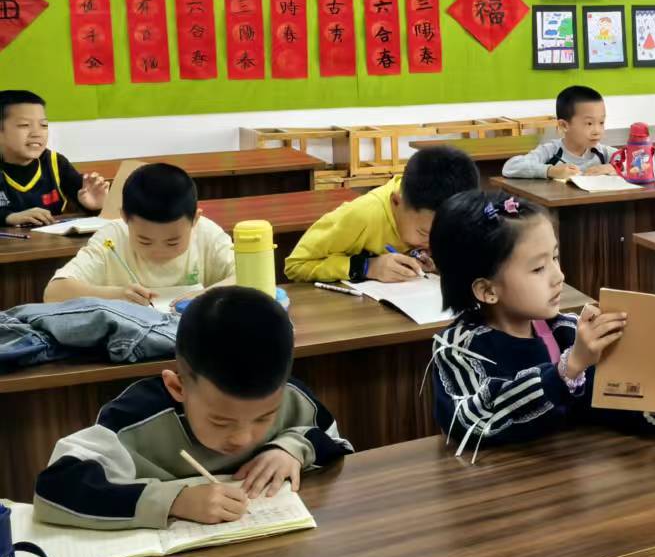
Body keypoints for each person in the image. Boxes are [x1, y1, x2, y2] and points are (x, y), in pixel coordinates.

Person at [427, 189, 655, 460]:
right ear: (487, 290)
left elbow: (606, 402)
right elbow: (474, 421)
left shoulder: (564, 331)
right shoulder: (456, 350)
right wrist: (568, 369)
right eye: (538, 268)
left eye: (555, 257)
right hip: (499, 490)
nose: (559, 276)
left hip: (563, 481)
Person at [32, 286, 350, 528]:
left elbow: (336, 443)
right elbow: (55, 488)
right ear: (177, 387)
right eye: (221, 421)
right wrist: (174, 501)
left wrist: (292, 448)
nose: (243, 438)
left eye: (265, 417)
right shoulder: (134, 420)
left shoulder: (291, 397)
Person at [285, 144, 477, 283]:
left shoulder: (454, 214)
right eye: (424, 233)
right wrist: (368, 267)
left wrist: (437, 263)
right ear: (396, 202)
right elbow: (296, 266)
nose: (434, 243)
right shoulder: (362, 215)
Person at [44, 163, 235, 303]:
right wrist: (117, 295)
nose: (158, 252)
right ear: (125, 217)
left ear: (195, 219)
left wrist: (208, 295)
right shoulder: (112, 238)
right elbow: (54, 292)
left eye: (173, 242)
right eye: (145, 241)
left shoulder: (207, 234)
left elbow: (248, 276)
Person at [0, 88, 109, 227]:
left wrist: (94, 206)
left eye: (43, 125)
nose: (37, 133)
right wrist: (9, 217)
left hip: (51, 239)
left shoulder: (55, 162)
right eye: (24, 125)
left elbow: (87, 199)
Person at [502, 85, 615, 179]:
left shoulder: (602, 152)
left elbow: (626, 160)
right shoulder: (551, 151)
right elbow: (510, 167)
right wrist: (551, 171)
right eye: (589, 123)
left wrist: (612, 167)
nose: (597, 131)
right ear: (564, 125)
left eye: (601, 122)